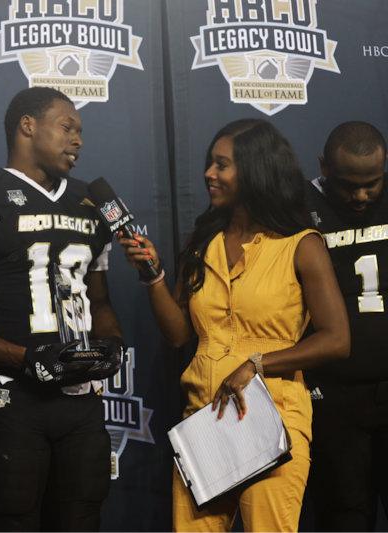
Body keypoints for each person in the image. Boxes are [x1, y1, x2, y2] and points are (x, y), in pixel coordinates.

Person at [119, 119, 350, 532]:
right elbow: (177, 334)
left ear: (256, 170)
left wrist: (256, 363)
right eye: (210, 163)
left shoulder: (301, 244)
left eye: (222, 165)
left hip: (272, 418)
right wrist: (152, 275)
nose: (209, 173)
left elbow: (337, 340)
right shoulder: (201, 242)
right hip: (205, 421)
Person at [0, 87, 125, 533]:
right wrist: (26, 359)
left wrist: (111, 345)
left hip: (82, 403)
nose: (78, 140)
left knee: (83, 520)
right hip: (14, 398)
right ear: (28, 126)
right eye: (67, 126)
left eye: (81, 131)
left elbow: (101, 301)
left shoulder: (92, 205)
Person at [303, 121, 388, 533]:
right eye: (347, 185)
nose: (360, 196)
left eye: (372, 183)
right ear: (323, 166)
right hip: (331, 396)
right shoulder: (294, 206)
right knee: (343, 516)